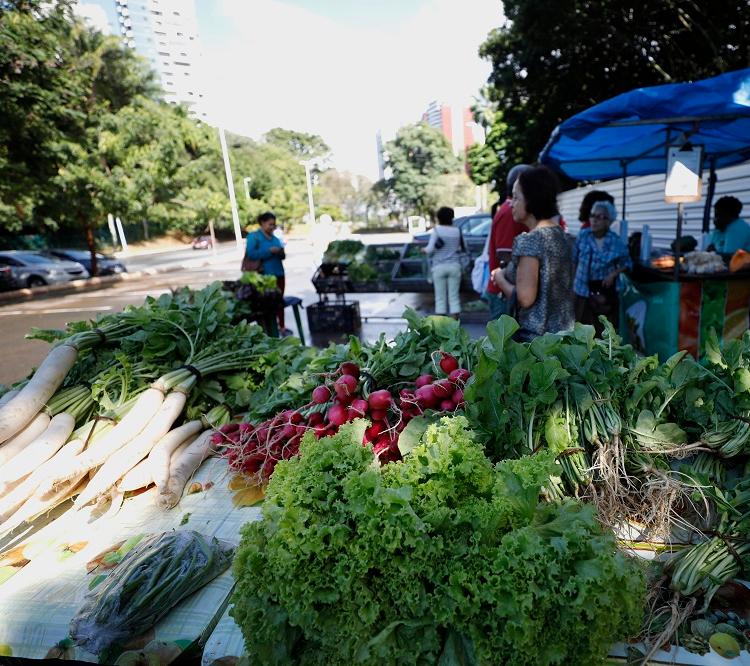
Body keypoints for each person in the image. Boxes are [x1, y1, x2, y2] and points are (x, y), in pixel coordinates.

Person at [491, 166, 574, 340]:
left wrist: (499, 278)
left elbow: (525, 298)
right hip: (564, 337)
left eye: (516, 197)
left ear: (531, 200)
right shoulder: (564, 237)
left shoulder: (530, 240)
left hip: (535, 343)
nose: (511, 204)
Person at [572, 200, 632, 336]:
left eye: (600, 217)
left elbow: (627, 263)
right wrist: (572, 286)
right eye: (592, 215)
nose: (594, 220)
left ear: (608, 221)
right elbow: (574, 260)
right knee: (580, 331)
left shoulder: (615, 241)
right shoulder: (583, 235)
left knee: (601, 333)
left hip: (602, 294)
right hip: (581, 291)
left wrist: (613, 274)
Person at [485, 164, 532, 319]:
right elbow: (505, 258)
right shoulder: (509, 213)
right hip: (503, 294)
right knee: (504, 342)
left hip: (510, 291)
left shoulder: (512, 211)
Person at [245, 211, 291, 336]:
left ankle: (282, 327)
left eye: (274, 225)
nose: (272, 227)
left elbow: (282, 256)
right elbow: (251, 254)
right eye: (270, 224)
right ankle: (269, 331)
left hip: (279, 274)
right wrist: (269, 251)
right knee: (267, 305)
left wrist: (280, 252)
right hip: (264, 277)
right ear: (262, 223)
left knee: (280, 302)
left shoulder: (276, 238)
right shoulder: (254, 237)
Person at [423, 206, 463, 317]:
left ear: (439, 217)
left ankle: (441, 325)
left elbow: (429, 249)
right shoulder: (457, 231)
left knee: (440, 297)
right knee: (454, 296)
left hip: (439, 267)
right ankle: (455, 323)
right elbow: (460, 248)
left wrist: (423, 250)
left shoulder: (437, 230)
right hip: (454, 266)